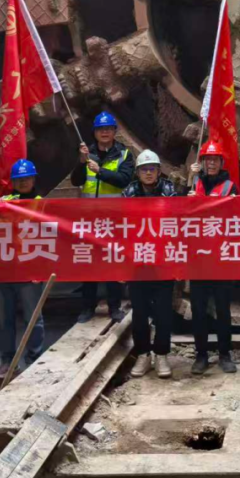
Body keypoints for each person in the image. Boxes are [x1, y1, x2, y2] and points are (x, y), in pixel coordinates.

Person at [70, 112, 134, 324]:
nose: (104, 132)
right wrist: (81, 163)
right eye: (100, 129)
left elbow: (124, 179)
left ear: (115, 131)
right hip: (90, 220)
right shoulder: (86, 153)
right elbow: (76, 180)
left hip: (114, 220)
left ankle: (114, 307)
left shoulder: (124, 154)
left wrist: (100, 172)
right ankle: (87, 307)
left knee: (112, 264)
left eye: (108, 129)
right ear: (95, 132)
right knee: (89, 264)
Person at [123, 150, 177, 380]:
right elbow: (121, 228)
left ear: (158, 171)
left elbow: (179, 223)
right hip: (138, 262)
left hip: (164, 261)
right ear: (137, 172)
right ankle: (143, 353)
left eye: (152, 169)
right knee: (140, 312)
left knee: (164, 311)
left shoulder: (170, 192)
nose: (148, 173)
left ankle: (161, 354)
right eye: (144, 169)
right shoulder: (128, 193)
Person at [187, 141, 238, 374]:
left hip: (221, 258)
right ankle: (201, 355)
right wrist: (187, 193)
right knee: (199, 310)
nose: (211, 163)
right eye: (207, 159)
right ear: (202, 162)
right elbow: (180, 216)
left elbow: (236, 218)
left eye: (215, 159)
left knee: (222, 309)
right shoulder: (194, 184)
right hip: (198, 259)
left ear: (221, 163)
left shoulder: (230, 187)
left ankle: (225, 354)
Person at [0, 159, 45, 378]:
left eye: (27, 178)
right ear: (13, 182)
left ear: (34, 179)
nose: (23, 182)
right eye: (19, 179)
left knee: (33, 317)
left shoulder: (43, 204)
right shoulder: (4, 203)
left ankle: (34, 357)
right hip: (5, 269)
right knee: (4, 319)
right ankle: (7, 360)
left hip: (30, 270)